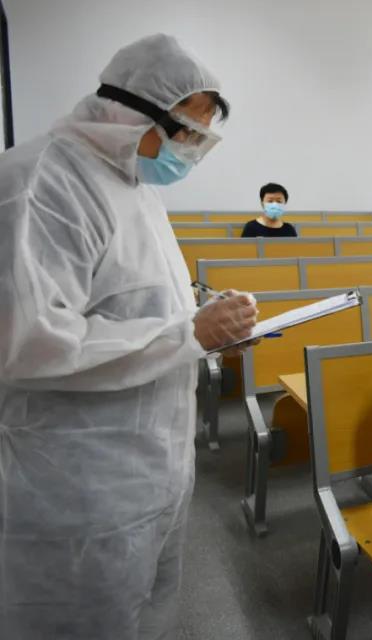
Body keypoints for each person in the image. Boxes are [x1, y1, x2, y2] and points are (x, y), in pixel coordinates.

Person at [0, 34, 259, 638]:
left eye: (201, 137)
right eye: (186, 132)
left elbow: (139, 303)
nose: (189, 150)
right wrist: (188, 332)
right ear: (129, 111)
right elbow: (30, 340)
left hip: (154, 466)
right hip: (76, 485)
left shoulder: (135, 187)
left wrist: (207, 321)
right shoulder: (42, 183)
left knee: (147, 614)